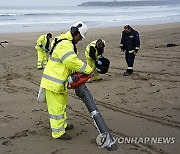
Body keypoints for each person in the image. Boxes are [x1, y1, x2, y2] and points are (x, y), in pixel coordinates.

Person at [40, 22, 92, 140]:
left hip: (59, 81)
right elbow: (70, 61)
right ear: (75, 33)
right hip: (53, 82)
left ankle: (63, 125)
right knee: (56, 109)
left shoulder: (63, 40)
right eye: (80, 37)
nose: (80, 40)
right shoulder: (65, 44)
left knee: (61, 105)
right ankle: (58, 133)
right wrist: (88, 70)